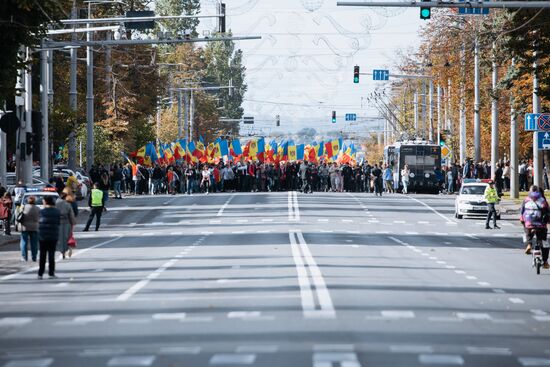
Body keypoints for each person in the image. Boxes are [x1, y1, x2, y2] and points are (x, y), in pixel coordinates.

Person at [521, 186, 550, 267]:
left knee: (526, 234)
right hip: (541, 225)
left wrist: (523, 221)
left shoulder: (526, 199)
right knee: (544, 242)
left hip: (529, 223)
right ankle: (545, 262)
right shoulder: (543, 200)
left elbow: (522, 212)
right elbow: (548, 212)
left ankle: (529, 244)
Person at [38, 195, 60, 279]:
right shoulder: (57, 211)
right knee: (51, 254)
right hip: (53, 235)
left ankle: (40, 273)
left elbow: (38, 222)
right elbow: (58, 222)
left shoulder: (41, 212)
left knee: (42, 255)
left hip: (42, 235)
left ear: (45, 202)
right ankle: (51, 273)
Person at [18, 195, 40, 262]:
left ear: (27, 200)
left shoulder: (24, 207)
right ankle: (34, 257)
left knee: (24, 242)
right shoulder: (37, 208)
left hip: (25, 227)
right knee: (34, 243)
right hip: (34, 227)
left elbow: (19, 215)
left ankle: (24, 257)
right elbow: (40, 218)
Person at [56, 190, 76, 258]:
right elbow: (71, 214)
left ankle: (62, 252)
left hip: (58, 222)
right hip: (67, 222)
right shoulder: (67, 204)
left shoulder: (56, 203)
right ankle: (67, 249)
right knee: (67, 237)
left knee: (60, 238)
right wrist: (73, 222)